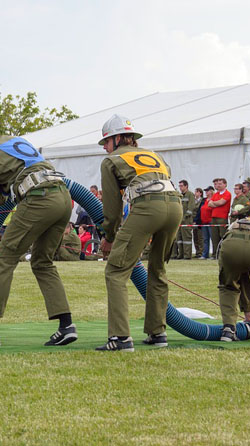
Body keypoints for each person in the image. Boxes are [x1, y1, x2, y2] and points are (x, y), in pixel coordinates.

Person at [0, 110, 76, 348]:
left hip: (38, 198)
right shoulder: (14, 139)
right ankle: (66, 326)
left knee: (4, 259)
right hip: (62, 195)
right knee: (43, 262)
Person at [95, 114, 182, 352]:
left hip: (148, 206)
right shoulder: (155, 155)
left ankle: (120, 338)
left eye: (105, 142)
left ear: (116, 139)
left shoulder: (111, 160)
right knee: (158, 269)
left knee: (115, 271)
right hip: (175, 206)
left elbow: (111, 209)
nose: (104, 148)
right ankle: (158, 332)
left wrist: (110, 237)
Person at [207, 178, 231, 259]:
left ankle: (222, 254)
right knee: (214, 237)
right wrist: (216, 203)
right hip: (214, 217)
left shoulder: (227, 193)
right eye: (217, 184)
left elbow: (221, 202)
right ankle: (215, 254)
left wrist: (214, 203)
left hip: (222, 218)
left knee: (222, 237)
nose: (218, 185)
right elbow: (209, 204)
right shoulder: (216, 194)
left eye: (220, 184)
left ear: (225, 184)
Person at [174, 180, 196, 260]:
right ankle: (181, 254)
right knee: (179, 238)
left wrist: (184, 217)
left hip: (186, 220)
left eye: (182, 186)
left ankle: (187, 255)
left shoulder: (190, 195)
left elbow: (191, 208)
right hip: (179, 221)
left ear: (186, 186)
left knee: (186, 238)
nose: (180, 187)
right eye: (179, 186)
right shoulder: (180, 195)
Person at [200, 186, 214, 259]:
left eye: (207, 191)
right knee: (205, 239)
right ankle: (205, 254)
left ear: (211, 191)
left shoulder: (213, 199)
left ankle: (214, 254)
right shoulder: (205, 200)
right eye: (206, 191)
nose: (206, 192)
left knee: (212, 238)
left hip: (210, 221)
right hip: (204, 222)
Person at [192, 187, 204, 258]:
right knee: (195, 236)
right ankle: (197, 252)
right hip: (193, 220)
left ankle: (201, 251)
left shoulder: (202, 201)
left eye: (196, 192)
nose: (195, 193)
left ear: (200, 193)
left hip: (199, 221)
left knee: (200, 237)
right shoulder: (194, 201)